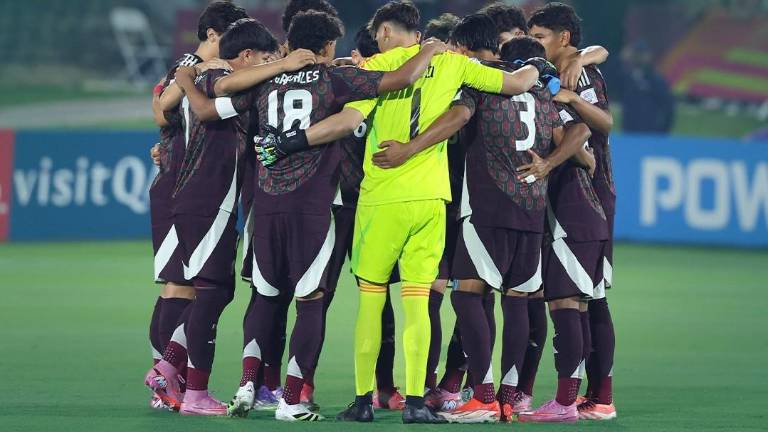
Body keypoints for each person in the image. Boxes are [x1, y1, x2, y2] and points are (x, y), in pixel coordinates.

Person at [252, 0, 554, 423]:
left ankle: (362, 401)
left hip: (380, 199)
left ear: (384, 32)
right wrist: (539, 65)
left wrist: (289, 144)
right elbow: (517, 83)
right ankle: (415, 402)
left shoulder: (378, 67)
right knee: (418, 303)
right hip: (430, 199)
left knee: (372, 302)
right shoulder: (454, 64)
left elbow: (345, 122)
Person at [183, 9, 446, 421]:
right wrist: (428, 49)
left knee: (266, 296)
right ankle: (292, 399)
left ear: (291, 42)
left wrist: (190, 79)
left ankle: (248, 382)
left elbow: (213, 102)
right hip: (312, 207)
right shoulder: (334, 78)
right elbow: (401, 78)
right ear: (327, 46)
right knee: (311, 301)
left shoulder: (265, 80)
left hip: (266, 206)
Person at [144, 0, 248, 411]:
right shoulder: (190, 66)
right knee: (187, 286)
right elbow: (161, 109)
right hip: (182, 188)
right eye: (229, 36)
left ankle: (168, 382)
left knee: (183, 285)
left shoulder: (208, 70)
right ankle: (168, 378)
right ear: (212, 35)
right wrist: (192, 72)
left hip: (181, 183)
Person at [518, 2, 615, 422]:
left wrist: (573, 92)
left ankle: (572, 400)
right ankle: (596, 398)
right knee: (588, 298)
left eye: (540, 36)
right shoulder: (560, 69)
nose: (534, 43)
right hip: (575, 195)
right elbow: (599, 50)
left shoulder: (580, 75)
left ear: (564, 38)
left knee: (573, 298)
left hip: (585, 195)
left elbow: (601, 125)